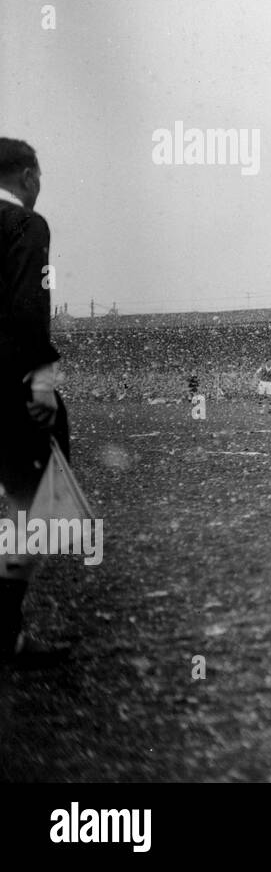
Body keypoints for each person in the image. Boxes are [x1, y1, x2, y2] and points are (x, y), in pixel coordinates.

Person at [0, 137, 72, 667]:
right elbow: (29, 306)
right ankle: (6, 632)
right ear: (27, 176)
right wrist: (42, 377)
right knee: (39, 505)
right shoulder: (25, 224)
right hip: (7, 385)